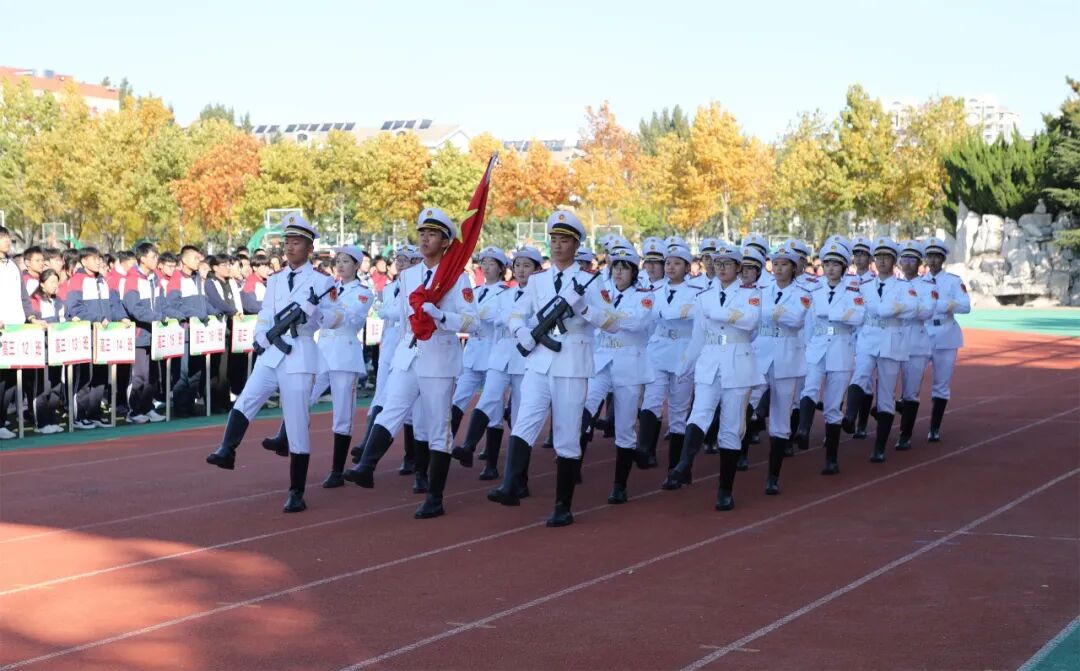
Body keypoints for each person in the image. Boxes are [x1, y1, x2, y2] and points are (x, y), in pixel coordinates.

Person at [344, 208, 477, 521]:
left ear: (446, 241)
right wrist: (403, 349)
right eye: (421, 233)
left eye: (432, 234)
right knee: (392, 407)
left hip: (440, 358)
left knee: (437, 427)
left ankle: (435, 495)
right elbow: (404, 320)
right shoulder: (408, 276)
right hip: (411, 353)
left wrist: (443, 317)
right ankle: (367, 466)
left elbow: (474, 323)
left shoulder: (458, 277)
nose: (424, 239)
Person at [488, 211, 619, 527]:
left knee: (566, 434)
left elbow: (613, 322)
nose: (558, 246)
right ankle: (510, 484)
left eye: (564, 241)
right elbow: (517, 315)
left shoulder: (592, 280)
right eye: (554, 240)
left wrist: (584, 308)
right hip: (539, 359)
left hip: (573, 360)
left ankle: (563, 506)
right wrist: (523, 335)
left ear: (576, 244)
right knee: (524, 421)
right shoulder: (537, 280)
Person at [206, 215, 336, 513]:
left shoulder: (321, 281)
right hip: (272, 352)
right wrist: (261, 335)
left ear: (309, 246)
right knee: (247, 398)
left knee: (296, 420)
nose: (290, 248)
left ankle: (296, 491)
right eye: (287, 242)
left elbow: (334, 316)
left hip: (300, 351)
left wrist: (314, 313)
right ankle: (227, 449)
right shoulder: (275, 280)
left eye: (296, 243)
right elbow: (266, 314)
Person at [662, 242, 763, 512]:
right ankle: (684, 463)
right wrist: (684, 365)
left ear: (739, 268)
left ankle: (724, 490)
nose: (722, 269)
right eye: (718, 264)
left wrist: (720, 313)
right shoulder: (704, 296)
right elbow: (697, 336)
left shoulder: (750, 294)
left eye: (727, 264)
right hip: (709, 360)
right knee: (699, 413)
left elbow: (750, 321)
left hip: (738, 361)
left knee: (731, 428)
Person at [264, 245, 374, 487]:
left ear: (357, 266)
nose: (341, 265)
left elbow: (352, 317)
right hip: (322, 350)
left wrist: (323, 311)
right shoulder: (328, 286)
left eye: (347, 261)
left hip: (344, 354)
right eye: (339, 261)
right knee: (304, 397)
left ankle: (337, 470)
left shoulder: (363, 292)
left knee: (342, 415)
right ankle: (284, 436)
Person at [457, 246, 543, 481]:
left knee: (519, 417)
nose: (521, 270)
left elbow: (531, 320)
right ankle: (469, 446)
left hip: (526, 357)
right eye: (518, 265)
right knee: (488, 398)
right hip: (501, 353)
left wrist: (510, 318)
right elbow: (494, 318)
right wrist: (511, 318)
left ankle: (519, 477)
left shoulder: (542, 295)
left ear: (537, 270)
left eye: (527, 266)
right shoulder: (505, 294)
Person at [583, 244, 656, 504]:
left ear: (634, 272)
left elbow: (637, 323)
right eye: (616, 268)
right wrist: (606, 316)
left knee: (624, 428)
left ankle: (619, 485)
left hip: (629, 363)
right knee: (586, 405)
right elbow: (591, 316)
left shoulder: (645, 295)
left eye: (625, 269)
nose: (619, 273)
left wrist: (608, 318)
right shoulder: (602, 293)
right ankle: (574, 453)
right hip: (602, 359)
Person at [793, 237, 865, 475]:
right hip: (817, 345)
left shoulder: (853, 289)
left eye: (836, 264)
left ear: (844, 267)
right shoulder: (814, 289)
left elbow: (857, 317)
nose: (831, 268)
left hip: (841, 348)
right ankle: (803, 429)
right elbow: (810, 321)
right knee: (809, 388)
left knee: (833, 405)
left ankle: (831, 458)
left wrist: (832, 313)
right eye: (827, 263)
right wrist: (808, 345)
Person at [844, 237, 919, 463]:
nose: (882, 262)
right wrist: (893, 309)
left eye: (887, 258)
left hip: (891, 340)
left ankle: (879, 447)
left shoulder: (904, 286)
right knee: (861, 374)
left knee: (886, 395)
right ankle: (850, 415)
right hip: (868, 336)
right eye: (879, 258)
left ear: (894, 261)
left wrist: (886, 309)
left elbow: (913, 309)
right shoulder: (864, 285)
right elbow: (855, 308)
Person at [352, 245, 422, 475]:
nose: (401, 264)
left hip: (410, 347)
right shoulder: (392, 286)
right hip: (390, 346)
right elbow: (386, 311)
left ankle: (412, 456)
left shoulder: (419, 286)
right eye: (399, 259)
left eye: (407, 260)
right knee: (381, 395)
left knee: (412, 408)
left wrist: (386, 311)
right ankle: (367, 444)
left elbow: (396, 313)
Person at [751, 241, 810, 495]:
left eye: (784, 264)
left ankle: (773, 475)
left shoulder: (803, 292)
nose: (778, 269)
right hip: (761, 353)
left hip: (787, 357)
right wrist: (777, 312)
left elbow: (795, 319)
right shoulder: (761, 289)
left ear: (794, 268)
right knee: (749, 398)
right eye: (775, 264)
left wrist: (772, 312)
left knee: (781, 418)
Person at [637, 241, 697, 472]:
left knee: (678, 410)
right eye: (668, 263)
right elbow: (647, 320)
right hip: (658, 348)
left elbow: (693, 318)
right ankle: (644, 448)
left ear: (687, 267)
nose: (671, 267)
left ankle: (676, 467)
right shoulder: (654, 291)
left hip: (683, 351)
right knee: (651, 399)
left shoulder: (696, 293)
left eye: (677, 263)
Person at [449, 246, 506, 443]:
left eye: (492, 263)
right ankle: (445, 445)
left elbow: (492, 316)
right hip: (473, 352)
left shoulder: (505, 292)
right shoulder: (474, 291)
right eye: (484, 262)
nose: (486, 267)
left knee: (494, 407)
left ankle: (490, 460)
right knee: (458, 398)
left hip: (493, 351)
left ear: (501, 268)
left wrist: (474, 315)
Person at [922, 237, 971, 442]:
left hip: (945, 334)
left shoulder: (953, 281)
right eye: (930, 256)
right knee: (910, 381)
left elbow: (965, 306)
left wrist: (942, 305)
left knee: (941, 385)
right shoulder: (917, 282)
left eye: (936, 257)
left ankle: (934, 427)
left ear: (942, 259)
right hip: (922, 335)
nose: (933, 261)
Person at [66, 247, 115, 429]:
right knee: (84, 377)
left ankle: (94, 414)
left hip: (102, 335)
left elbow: (110, 305)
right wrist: (97, 319)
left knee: (101, 377)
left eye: (99, 258)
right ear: (84, 261)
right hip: (86, 334)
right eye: (93, 258)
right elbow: (74, 307)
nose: (98, 261)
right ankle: (79, 416)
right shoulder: (78, 280)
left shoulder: (102, 280)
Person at [895, 240, 937, 451]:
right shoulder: (892, 284)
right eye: (905, 259)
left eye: (912, 260)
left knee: (910, 391)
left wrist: (900, 309)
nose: (908, 263)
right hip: (892, 343)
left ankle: (905, 435)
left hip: (916, 344)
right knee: (885, 389)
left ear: (920, 263)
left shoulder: (927, 286)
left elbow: (926, 312)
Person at [122, 242, 167, 424]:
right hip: (140, 334)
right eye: (153, 256)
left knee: (153, 376)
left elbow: (162, 300)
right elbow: (134, 308)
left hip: (155, 333)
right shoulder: (132, 279)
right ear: (142, 258)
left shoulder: (155, 278)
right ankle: (133, 411)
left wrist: (164, 315)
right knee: (139, 375)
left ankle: (148, 407)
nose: (156, 260)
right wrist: (156, 317)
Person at [166, 246, 209, 417]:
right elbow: (173, 303)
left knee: (196, 372)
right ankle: (180, 408)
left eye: (199, 258)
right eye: (194, 258)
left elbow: (205, 301)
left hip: (199, 333)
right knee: (183, 373)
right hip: (184, 332)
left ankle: (190, 405)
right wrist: (193, 313)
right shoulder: (176, 279)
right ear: (183, 260)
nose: (198, 261)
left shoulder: (199, 278)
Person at [29, 269, 66, 434]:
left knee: (56, 387)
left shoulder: (59, 301)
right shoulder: (34, 300)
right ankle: (41, 423)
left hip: (57, 350)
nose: (55, 285)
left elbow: (65, 320)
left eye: (56, 282)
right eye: (51, 282)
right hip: (41, 351)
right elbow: (29, 322)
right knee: (42, 388)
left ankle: (52, 420)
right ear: (42, 284)